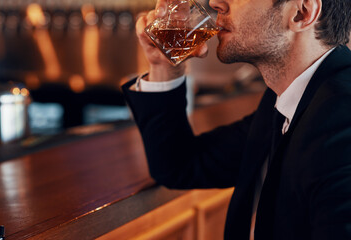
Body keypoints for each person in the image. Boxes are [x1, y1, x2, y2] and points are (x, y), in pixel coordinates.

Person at [122, 0, 351, 239]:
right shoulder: (290, 100)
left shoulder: (342, 120)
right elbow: (179, 165)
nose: (215, 3)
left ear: (301, 13)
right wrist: (165, 67)